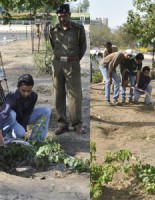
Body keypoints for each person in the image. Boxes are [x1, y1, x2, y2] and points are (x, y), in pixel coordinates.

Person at [49, 4, 87, 135]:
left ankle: (77, 124)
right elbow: (53, 45)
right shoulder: (53, 30)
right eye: (59, 16)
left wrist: (74, 59)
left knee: (75, 95)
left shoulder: (78, 29)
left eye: (64, 15)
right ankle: (62, 124)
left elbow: (83, 47)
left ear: (69, 15)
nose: (62, 18)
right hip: (57, 63)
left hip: (72, 64)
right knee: (58, 94)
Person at [0, 74, 51, 142]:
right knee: (19, 130)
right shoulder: (11, 96)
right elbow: (4, 113)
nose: (26, 93)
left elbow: (28, 114)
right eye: (23, 90)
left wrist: (24, 129)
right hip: (12, 120)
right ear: (18, 87)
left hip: (23, 118)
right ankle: (7, 138)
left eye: (29, 91)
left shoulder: (34, 96)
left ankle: (37, 141)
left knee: (46, 111)